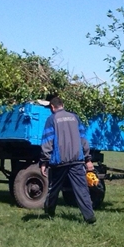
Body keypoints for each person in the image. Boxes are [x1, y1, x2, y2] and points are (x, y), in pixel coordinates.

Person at [40, 96, 96, 224]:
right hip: (77, 160)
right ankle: (89, 216)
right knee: (82, 189)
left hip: (59, 161)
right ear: (63, 105)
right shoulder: (75, 118)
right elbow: (83, 139)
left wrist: (44, 161)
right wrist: (87, 159)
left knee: (53, 189)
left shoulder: (51, 119)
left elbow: (47, 141)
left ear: (52, 107)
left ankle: (49, 212)